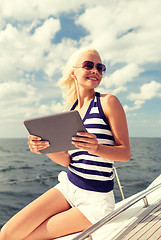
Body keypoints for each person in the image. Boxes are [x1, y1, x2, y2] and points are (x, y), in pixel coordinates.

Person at [0, 47, 131, 240]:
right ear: (73, 72)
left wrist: (96, 148)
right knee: (7, 233)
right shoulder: (70, 113)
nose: (95, 70)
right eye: (88, 65)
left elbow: (125, 153)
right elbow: (67, 161)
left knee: (28, 238)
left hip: (95, 200)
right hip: (69, 186)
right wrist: (44, 147)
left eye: (100, 67)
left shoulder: (108, 102)